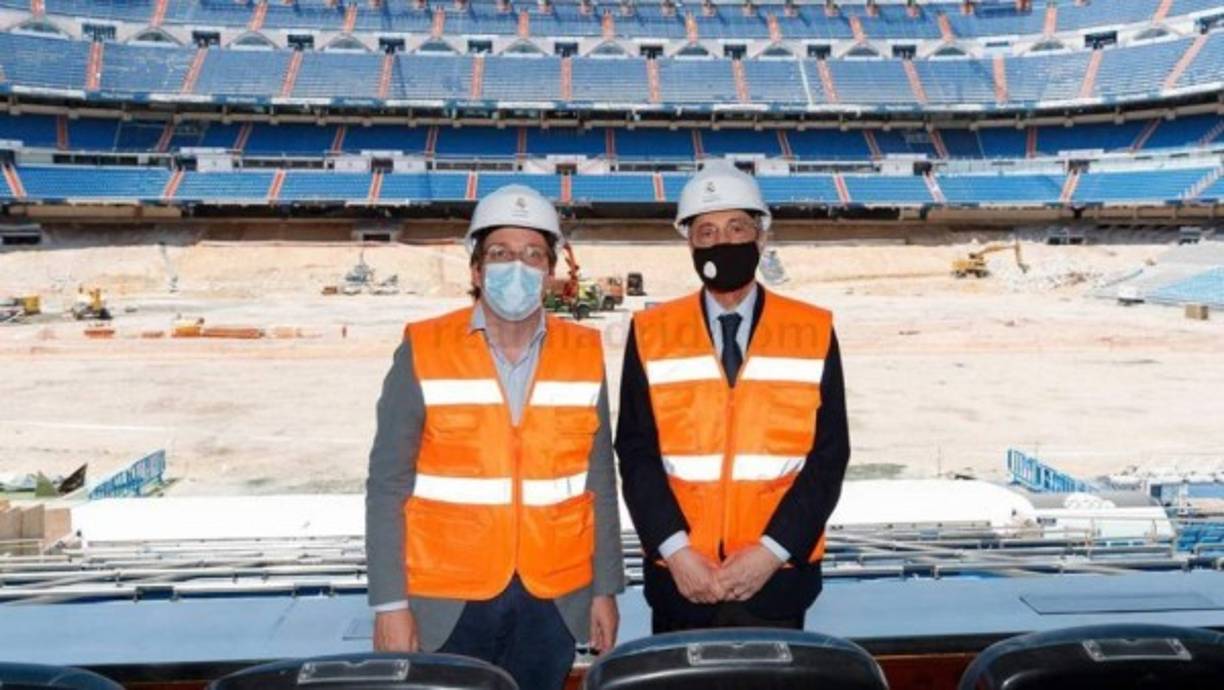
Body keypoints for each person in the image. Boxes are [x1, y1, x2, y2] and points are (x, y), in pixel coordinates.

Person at [365, 184, 623, 690]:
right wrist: (390, 603)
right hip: (446, 603)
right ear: (477, 271)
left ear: (550, 272)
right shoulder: (423, 348)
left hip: (553, 600)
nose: (517, 267)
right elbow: (387, 484)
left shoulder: (584, 353)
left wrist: (604, 589)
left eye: (532, 255)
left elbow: (599, 483)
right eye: (500, 254)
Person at [616, 162, 850, 633]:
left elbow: (829, 456)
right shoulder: (651, 332)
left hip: (777, 583)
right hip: (681, 583)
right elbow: (636, 453)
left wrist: (771, 552)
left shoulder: (812, 329)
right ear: (690, 243)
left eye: (736, 227)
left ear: (761, 237)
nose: (721, 241)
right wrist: (677, 552)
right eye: (706, 231)